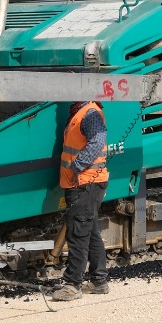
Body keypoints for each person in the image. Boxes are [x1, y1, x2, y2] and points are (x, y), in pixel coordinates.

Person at [49, 99, 111, 301]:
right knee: (90, 231)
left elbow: (97, 141)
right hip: (86, 182)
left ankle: (72, 285)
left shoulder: (89, 112)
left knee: (77, 233)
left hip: (85, 182)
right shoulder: (81, 111)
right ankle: (99, 281)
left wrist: (77, 166)